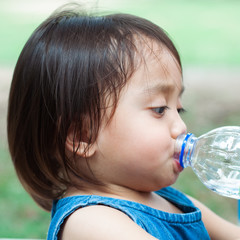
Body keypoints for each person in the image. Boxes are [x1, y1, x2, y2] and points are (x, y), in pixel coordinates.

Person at [7, 5, 240, 240]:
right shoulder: (92, 222)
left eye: (179, 109)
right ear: (83, 136)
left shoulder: (173, 200)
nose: (181, 127)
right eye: (159, 109)